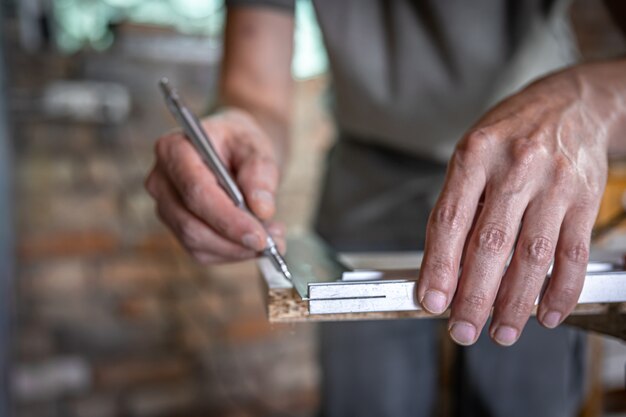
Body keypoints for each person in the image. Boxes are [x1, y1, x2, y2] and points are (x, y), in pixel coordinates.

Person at [145, 1, 626, 416]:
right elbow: (255, 91)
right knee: (369, 401)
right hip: (367, 176)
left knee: (522, 400)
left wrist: (588, 99)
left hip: (532, 180)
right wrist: (240, 133)